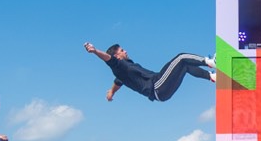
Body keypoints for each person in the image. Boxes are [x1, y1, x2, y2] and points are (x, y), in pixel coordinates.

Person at [83, 42, 216, 103]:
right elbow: (109, 59)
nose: (125, 51)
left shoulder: (123, 73)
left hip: (161, 93)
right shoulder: (119, 66)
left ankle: (212, 77)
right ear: (117, 56)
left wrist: (112, 92)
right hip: (157, 86)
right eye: (122, 51)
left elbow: (117, 83)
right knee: (181, 57)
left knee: (185, 66)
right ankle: (210, 62)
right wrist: (95, 51)